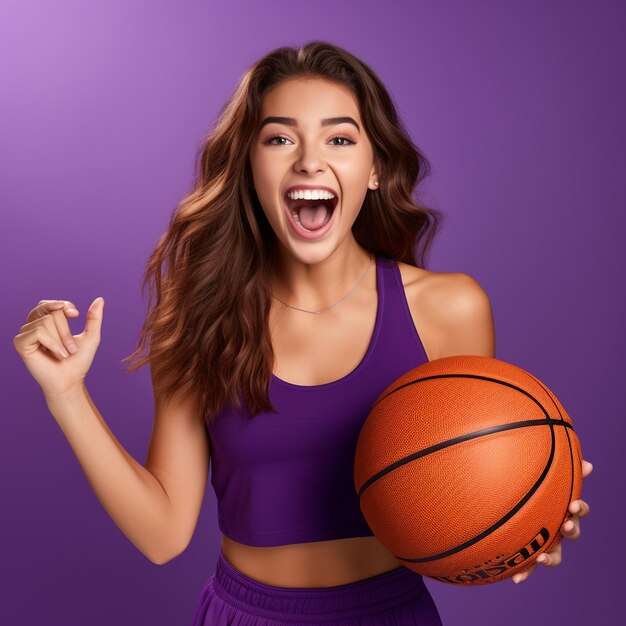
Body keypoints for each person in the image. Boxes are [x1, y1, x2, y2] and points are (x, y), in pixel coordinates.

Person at [13, 41, 593, 625]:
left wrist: (525, 515)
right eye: (279, 138)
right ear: (250, 169)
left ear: (375, 171)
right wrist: (66, 395)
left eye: (339, 139)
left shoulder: (450, 309)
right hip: (244, 614)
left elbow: (469, 496)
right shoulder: (200, 316)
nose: (310, 161)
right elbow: (163, 534)